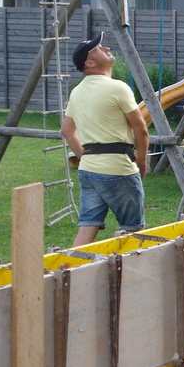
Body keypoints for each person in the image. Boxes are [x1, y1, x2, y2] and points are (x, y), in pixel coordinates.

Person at [61, 33, 149, 247]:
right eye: (99, 49)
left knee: (87, 226)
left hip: (89, 171)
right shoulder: (117, 88)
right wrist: (142, 161)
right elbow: (141, 129)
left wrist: (84, 156)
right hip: (118, 169)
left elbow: (66, 130)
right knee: (133, 229)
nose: (107, 48)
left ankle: (70, 272)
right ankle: (130, 272)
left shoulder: (77, 91)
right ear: (89, 63)